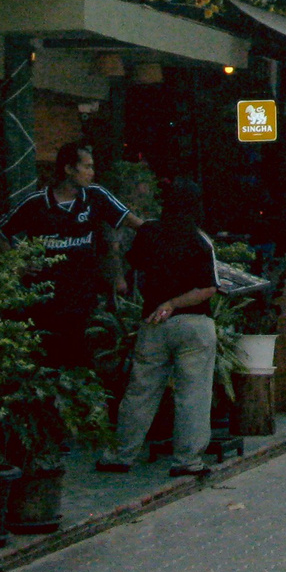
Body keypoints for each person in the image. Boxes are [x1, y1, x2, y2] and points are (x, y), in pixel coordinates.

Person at [98, 177, 219, 476]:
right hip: (193, 324)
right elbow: (208, 289)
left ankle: (121, 454)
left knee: (140, 392)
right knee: (193, 395)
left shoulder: (150, 232)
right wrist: (175, 303)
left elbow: (133, 264)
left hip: (153, 322)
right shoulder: (200, 240)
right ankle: (188, 461)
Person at [1, 142, 132, 366]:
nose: (92, 172)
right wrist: (17, 265)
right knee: (44, 361)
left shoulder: (95, 197)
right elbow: (1, 231)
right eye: (87, 167)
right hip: (44, 302)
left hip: (83, 299)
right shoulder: (36, 204)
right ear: (69, 169)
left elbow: (132, 222)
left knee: (80, 360)